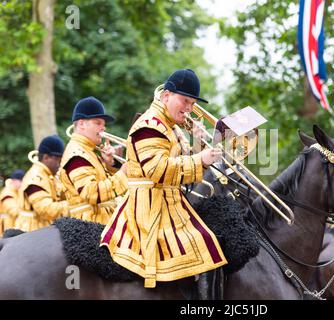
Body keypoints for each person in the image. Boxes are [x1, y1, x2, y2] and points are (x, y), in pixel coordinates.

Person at [100, 69, 227, 299]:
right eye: (185, 101)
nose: (189, 108)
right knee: (204, 243)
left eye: (192, 104)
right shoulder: (150, 124)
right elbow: (158, 170)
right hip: (149, 208)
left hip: (168, 201)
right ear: (166, 95)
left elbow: (186, 165)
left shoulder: (170, 125)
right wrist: (200, 159)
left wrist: (198, 143)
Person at [59, 97, 128, 224]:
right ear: (81, 124)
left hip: (100, 220)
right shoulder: (77, 155)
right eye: (98, 123)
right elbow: (91, 193)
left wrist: (111, 165)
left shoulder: (88, 151)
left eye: (104, 124)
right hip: (90, 226)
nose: (104, 128)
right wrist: (123, 174)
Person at [15, 136, 69, 232]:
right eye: (58, 160)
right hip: (31, 232)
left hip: (43, 229)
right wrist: (75, 204)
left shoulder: (48, 175)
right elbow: (47, 210)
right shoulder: (35, 178)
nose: (60, 164)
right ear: (46, 157)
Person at [0, 169, 24, 235]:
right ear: (14, 181)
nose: (23, 184)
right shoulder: (8, 193)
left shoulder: (16, 192)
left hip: (11, 226)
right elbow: (14, 211)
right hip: (5, 227)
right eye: (21, 181)